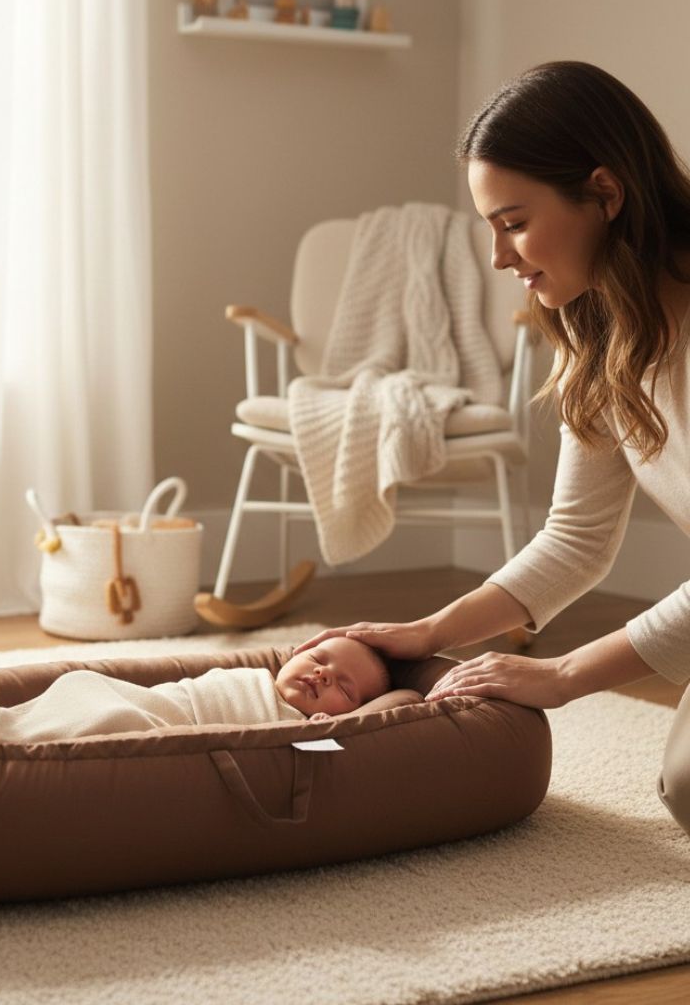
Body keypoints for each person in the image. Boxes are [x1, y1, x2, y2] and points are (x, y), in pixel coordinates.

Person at [294, 61, 690, 835]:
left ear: (606, 195)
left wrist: (566, 673)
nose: (500, 258)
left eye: (513, 222)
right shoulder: (594, 330)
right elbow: (576, 539)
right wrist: (430, 633)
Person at [0, 636, 421, 743]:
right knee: (82, 682)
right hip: (155, 703)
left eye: (343, 687)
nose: (323, 675)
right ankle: (22, 735)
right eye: (318, 660)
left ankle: (29, 755)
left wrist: (338, 724)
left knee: (125, 726)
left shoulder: (307, 734)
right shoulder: (259, 674)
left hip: (159, 727)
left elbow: (408, 700)